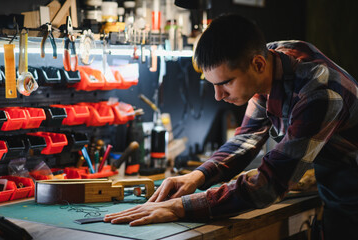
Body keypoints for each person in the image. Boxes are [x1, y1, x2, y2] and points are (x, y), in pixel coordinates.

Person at [104, 14, 358, 239]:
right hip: (336, 183)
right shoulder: (269, 61)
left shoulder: (318, 94)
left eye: (225, 83)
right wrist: (197, 176)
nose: (218, 96)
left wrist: (180, 207)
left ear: (258, 65)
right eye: (211, 84)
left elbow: (269, 185)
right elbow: (246, 138)